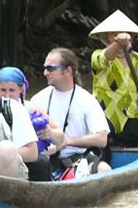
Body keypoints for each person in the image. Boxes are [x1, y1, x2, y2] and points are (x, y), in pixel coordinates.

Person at [29, 48, 112, 176]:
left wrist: (67, 141)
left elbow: (101, 139)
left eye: (50, 68)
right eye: (45, 68)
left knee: (104, 169)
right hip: (47, 158)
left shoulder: (86, 99)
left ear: (68, 71)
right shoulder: (37, 99)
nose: (45, 72)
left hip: (77, 158)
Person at [89, 10, 138, 147]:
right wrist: (119, 44)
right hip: (106, 118)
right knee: (105, 130)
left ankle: (111, 141)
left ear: (133, 38)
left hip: (132, 119)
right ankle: (106, 140)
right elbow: (104, 59)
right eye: (113, 34)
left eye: (123, 34)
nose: (118, 36)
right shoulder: (98, 55)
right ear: (106, 37)